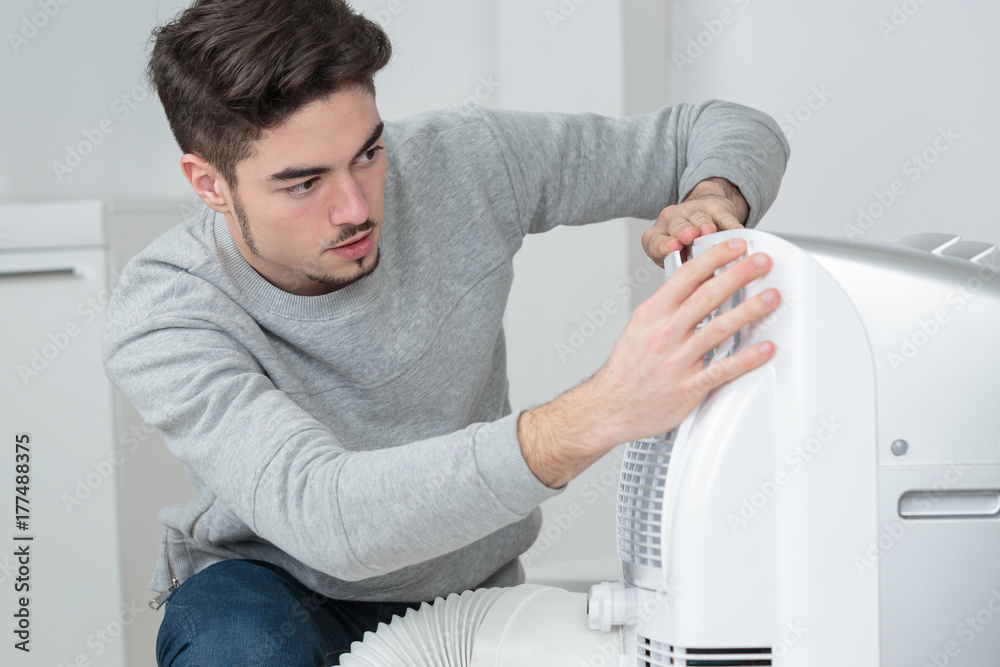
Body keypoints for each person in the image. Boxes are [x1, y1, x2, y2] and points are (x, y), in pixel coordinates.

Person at [101, 0, 790, 664]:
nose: (355, 207)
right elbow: (328, 516)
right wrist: (601, 411)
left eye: (368, 153)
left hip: (464, 590)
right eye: (304, 183)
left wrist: (712, 196)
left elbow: (725, 128)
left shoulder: (464, 159)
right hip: (273, 590)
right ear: (210, 183)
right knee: (238, 646)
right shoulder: (167, 310)